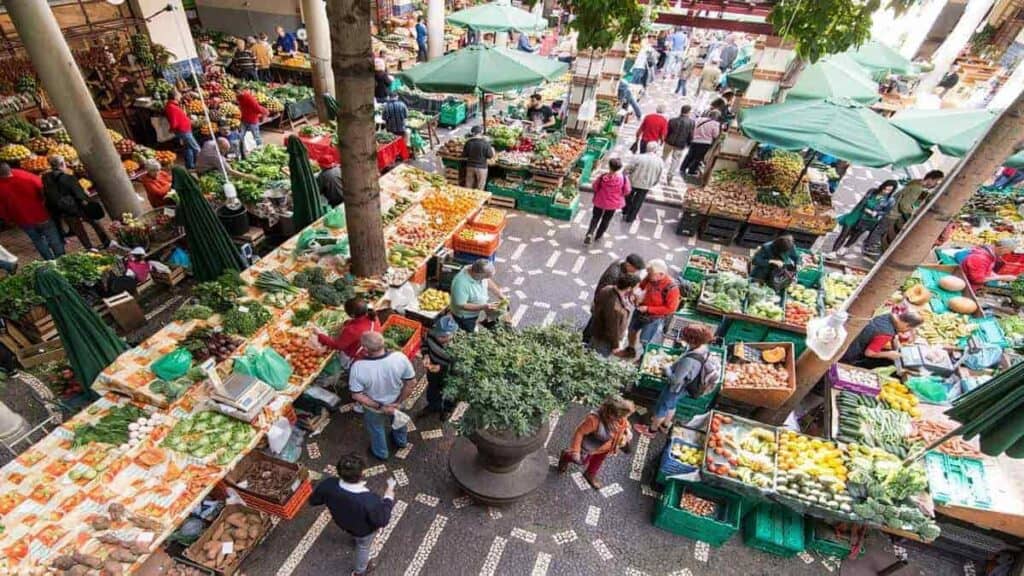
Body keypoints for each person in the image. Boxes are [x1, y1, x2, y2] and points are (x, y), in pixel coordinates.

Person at [310, 453, 396, 576]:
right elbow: (382, 520)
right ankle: (360, 571)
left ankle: (354, 540)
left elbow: (314, 500)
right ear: (361, 474)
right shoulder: (368, 500)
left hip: (342, 522)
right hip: (363, 531)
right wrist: (388, 497)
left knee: (354, 535)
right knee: (363, 547)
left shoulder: (328, 484)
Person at [634, 324, 718, 437]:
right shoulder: (703, 348)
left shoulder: (689, 360)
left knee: (662, 407)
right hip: (686, 387)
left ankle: (651, 431)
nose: (682, 339)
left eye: (685, 337)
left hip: (677, 388)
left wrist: (667, 369)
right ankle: (665, 425)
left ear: (692, 340)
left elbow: (675, 380)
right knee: (671, 404)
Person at [349, 331, 417, 461]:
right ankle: (401, 441)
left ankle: (381, 453)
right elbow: (411, 382)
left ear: (366, 349)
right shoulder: (399, 357)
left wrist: (381, 406)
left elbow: (357, 395)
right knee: (399, 421)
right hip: (396, 401)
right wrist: (399, 402)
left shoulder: (358, 367)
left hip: (373, 408)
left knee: (376, 429)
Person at [558, 396, 635, 489]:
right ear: (611, 414)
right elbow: (579, 433)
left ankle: (590, 474)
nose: (622, 419)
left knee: (598, 460)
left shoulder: (620, 417)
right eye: (620, 417)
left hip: (606, 447)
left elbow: (624, 423)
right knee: (581, 461)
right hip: (591, 448)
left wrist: (627, 430)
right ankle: (566, 456)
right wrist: (576, 451)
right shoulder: (593, 420)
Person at [42, 155, 111, 250]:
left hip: (63, 210)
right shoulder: (68, 178)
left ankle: (89, 248)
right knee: (95, 222)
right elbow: (79, 195)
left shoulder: (45, 177)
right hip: (77, 207)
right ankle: (106, 241)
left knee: (79, 230)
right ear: (62, 164)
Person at [872, 170, 945, 256]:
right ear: (931, 179)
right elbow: (905, 205)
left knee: (879, 229)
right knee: (880, 231)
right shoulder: (917, 188)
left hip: (891, 209)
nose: (935, 185)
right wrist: (912, 214)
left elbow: (912, 199)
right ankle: (870, 247)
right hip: (893, 213)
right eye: (936, 182)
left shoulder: (916, 182)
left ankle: (871, 245)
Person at [0, 162, 63, 260]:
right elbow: (42, 188)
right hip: (42, 214)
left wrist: (9, 220)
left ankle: (50, 261)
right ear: (9, 169)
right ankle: (61, 258)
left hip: (23, 220)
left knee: (38, 241)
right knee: (53, 239)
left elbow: (2, 210)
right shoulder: (24, 175)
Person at [828, 180, 897, 256]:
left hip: (868, 219)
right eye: (885, 189)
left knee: (855, 235)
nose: (886, 191)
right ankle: (833, 252)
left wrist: (876, 213)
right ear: (882, 186)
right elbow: (862, 202)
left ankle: (845, 247)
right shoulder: (872, 191)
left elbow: (885, 212)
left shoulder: (890, 201)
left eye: (889, 190)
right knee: (844, 233)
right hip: (857, 213)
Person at [627, 259, 680, 354]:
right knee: (631, 330)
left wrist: (648, 309)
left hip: (653, 318)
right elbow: (641, 286)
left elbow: (670, 309)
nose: (648, 275)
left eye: (650, 274)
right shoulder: (650, 277)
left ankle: (644, 356)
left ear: (661, 274)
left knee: (645, 340)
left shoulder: (672, 289)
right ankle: (630, 349)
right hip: (639, 311)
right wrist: (633, 294)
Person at [841, 309, 923, 368]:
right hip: (847, 352)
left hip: (848, 338)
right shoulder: (885, 334)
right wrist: (888, 354)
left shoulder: (888, 314)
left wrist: (895, 340)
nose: (906, 331)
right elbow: (869, 353)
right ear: (906, 325)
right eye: (909, 329)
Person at [315, 297, 382, 369]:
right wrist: (347, 323)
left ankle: (345, 371)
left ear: (352, 315)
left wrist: (319, 334)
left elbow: (338, 346)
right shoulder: (373, 317)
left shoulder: (352, 330)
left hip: (355, 357)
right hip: (367, 352)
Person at [590, 274, 640, 357]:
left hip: (597, 330)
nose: (637, 289)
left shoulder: (607, 289)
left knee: (592, 350)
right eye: (636, 287)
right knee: (598, 358)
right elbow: (612, 329)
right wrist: (615, 346)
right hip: (604, 340)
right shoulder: (615, 307)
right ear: (629, 288)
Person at [450, 259, 505, 332]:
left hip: (475, 313)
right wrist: (483, 307)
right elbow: (461, 305)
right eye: (486, 276)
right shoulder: (460, 284)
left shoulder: (477, 273)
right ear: (479, 274)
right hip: (465, 317)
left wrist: (500, 294)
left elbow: (487, 281)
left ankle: (475, 325)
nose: (487, 278)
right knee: (468, 333)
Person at [585, 158, 630, 246]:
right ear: (620, 168)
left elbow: (594, 186)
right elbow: (627, 191)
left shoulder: (603, 177)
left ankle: (590, 233)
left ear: (609, 166)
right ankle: (599, 236)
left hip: (600, 200)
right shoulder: (623, 179)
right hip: (613, 203)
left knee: (595, 217)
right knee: (606, 219)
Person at [421, 315, 458, 419]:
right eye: (439, 336)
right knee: (432, 388)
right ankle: (433, 406)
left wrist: (441, 368)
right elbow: (424, 345)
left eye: (445, 336)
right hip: (433, 369)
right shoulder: (430, 334)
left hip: (450, 373)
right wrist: (426, 355)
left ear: (453, 333)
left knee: (450, 392)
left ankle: (447, 409)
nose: (441, 339)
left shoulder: (459, 343)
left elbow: (459, 365)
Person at [623, 142, 664, 223]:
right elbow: (659, 175)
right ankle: (630, 218)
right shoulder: (659, 161)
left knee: (628, 196)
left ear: (646, 148)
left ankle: (625, 211)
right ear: (656, 150)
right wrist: (654, 183)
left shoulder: (638, 157)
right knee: (638, 201)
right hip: (647, 184)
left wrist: (624, 174)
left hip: (633, 181)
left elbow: (629, 168)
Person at [679, 109, 721, 177]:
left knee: (690, 155)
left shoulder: (699, 119)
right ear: (717, 117)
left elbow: (693, 127)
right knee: (698, 157)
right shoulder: (716, 124)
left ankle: (682, 168)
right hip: (705, 143)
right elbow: (715, 135)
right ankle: (691, 170)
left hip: (695, 140)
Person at [165, 93, 199, 169]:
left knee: (188, 148)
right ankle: (202, 164)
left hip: (185, 129)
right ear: (175, 96)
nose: (180, 96)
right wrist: (172, 129)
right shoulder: (171, 107)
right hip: (183, 131)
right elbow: (174, 121)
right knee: (196, 148)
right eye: (178, 95)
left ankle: (190, 165)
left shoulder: (174, 105)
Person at [663, 105, 694, 184]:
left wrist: (665, 139)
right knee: (675, 160)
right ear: (689, 112)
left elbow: (667, 131)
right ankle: (670, 176)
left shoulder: (672, 120)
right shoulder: (691, 122)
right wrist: (689, 144)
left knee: (663, 158)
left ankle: (657, 172)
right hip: (680, 144)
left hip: (669, 141)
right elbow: (690, 135)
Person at [462, 125, 494, 190]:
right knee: (480, 186)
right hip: (481, 167)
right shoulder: (485, 143)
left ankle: (468, 199)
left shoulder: (468, 143)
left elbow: (464, 154)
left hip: (470, 166)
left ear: (473, 133)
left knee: (468, 186)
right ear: (481, 133)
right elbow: (490, 156)